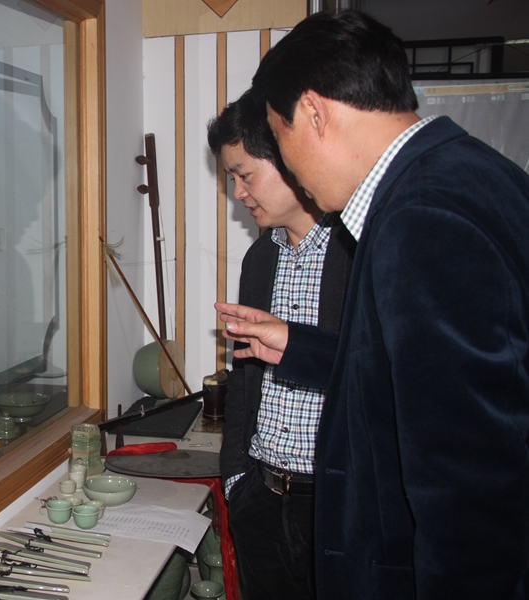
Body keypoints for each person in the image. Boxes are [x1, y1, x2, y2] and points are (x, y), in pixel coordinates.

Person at [215, 10, 529, 599]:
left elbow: (467, 485)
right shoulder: (473, 174)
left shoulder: (422, 217)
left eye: (280, 137)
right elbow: (414, 375)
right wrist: (299, 346)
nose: (289, 165)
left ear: (314, 112)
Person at [208, 89, 354, 600]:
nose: (238, 193)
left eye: (245, 175)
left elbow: (376, 374)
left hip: (336, 505)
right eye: (231, 180)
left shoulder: (357, 252)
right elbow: (245, 378)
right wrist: (236, 479)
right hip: (261, 496)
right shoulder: (260, 259)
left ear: (289, 157)